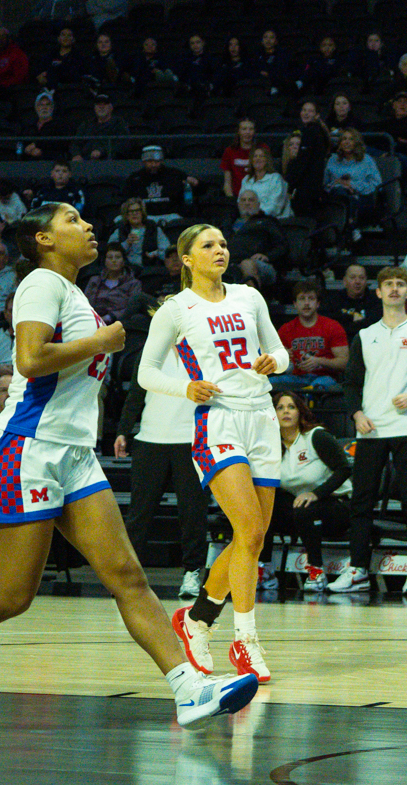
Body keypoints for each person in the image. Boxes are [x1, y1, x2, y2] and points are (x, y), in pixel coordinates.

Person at [0, 202, 259, 731]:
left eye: (86, 219)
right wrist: (102, 341)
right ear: (43, 239)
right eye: (72, 221)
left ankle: (188, 688)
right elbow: (30, 359)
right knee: (11, 595)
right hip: (27, 449)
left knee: (128, 577)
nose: (87, 226)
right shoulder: (41, 283)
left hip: (75, 453)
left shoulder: (74, 293)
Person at [138, 224, 289, 684]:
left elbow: (279, 350)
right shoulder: (175, 309)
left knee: (252, 538)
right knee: (249, 529)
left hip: (262, 417)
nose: (220, 250)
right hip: (218, 420)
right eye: (208, 245)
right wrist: (184, 387)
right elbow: (145, 372)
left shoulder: (249, 296)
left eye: (222, 243)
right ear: (187, 258)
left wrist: (274, 362)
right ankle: (245, 640)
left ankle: (197, 619)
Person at [329, 267, 407, 594]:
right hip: (371, 427)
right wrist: (356, 413)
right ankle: (358, 570)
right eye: (388, 284)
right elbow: (351, 383)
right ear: (378, 292)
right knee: (361, 501)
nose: (394, 289)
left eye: (400, 284)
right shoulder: (365, 335)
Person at [266, 391, 353, 592]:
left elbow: (344, 469)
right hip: (300, 508)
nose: (286, 411)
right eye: (280, 408)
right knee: (264, 506)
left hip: (337, 505)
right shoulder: (271, 446)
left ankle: (316, 570)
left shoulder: (316, 436)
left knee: (305, 508)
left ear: (300, 412)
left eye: (291, 407)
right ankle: (265, 570)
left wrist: (316, 494)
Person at [277, 281, 349, 384]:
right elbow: (272, 363)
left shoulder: (332, 326)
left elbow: (345, 363)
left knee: (319, 384)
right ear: (295, 304)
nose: (306, 303)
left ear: (318, 304)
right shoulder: (285, 329)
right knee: (269, 383)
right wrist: (281, 357)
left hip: (325, 377)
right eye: (302, 298)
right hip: (295, 378)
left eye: (311, 298)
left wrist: (320, 361)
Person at [124, 145, 202, 225]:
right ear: (144, 161)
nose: (153, 165)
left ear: (161, 161)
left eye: (157, 162)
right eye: (150, 162)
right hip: (145, 217)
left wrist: (195, 183)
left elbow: (198, 190)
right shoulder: (135, 178)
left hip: (171, 216)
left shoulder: (175, 174)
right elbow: (127, 200)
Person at [324, 127, 383, 231]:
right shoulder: (332, 159)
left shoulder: (366, 160)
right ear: (340, 143)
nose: (347, 142)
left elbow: (377, 185)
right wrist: (338, 184)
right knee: (341, 193)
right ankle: (350, 227)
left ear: (356, 143)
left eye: (351, 139)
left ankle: (347, 227)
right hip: (336, 196)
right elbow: (325, 184)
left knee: (348, 198)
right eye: (344, 139)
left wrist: (352, 185)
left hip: (361, 197)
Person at [83, 244, 141, 324]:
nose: (114, 260)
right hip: (93, 320)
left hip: (119, 322)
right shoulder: (95, 281)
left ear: (123, 261)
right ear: (105, 261)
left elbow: (131, 308)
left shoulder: (133, 283)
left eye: (117, 257)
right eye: (110, 257)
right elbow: (84, 302)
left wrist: (110, 317)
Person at [109, 198, 172, 270]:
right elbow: (110, 252)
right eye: (131, 211)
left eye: (137, 210)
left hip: (150, 268)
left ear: (142, 213)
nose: (134, 214)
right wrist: (127, 243)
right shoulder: (120, 230)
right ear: (126, 215)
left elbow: (167, 251)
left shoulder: (154, 229)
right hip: (127, 269)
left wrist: (156, 253)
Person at [235, 146, 290, 218]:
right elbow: (240, 202)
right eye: (255, 156)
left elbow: (275, 206)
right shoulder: (246, 179)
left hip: (272, 220)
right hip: (248, 219)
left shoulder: (276, 179)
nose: (258, 159)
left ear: (267, 160)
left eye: (261, 156)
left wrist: (256, 214)